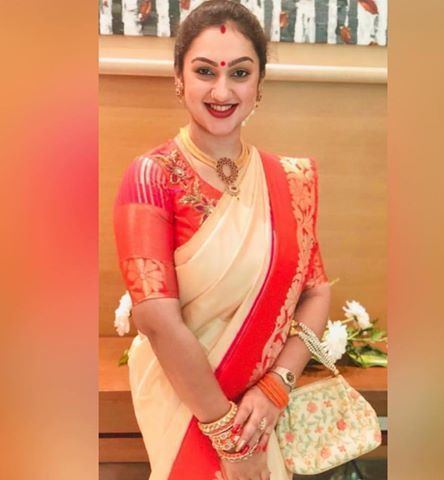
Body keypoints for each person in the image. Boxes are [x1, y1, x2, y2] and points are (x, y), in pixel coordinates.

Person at [113, 1, 331, 479]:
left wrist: (277, 385)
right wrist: (229, 437)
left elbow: (316, 290)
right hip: (187, 409)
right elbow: (156, 320)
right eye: (205, 71)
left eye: (240, 73)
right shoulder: (151, 178)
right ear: (179, 79)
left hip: (263, 413)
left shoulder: (291, 180)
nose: (221, 89)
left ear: (259, 85)